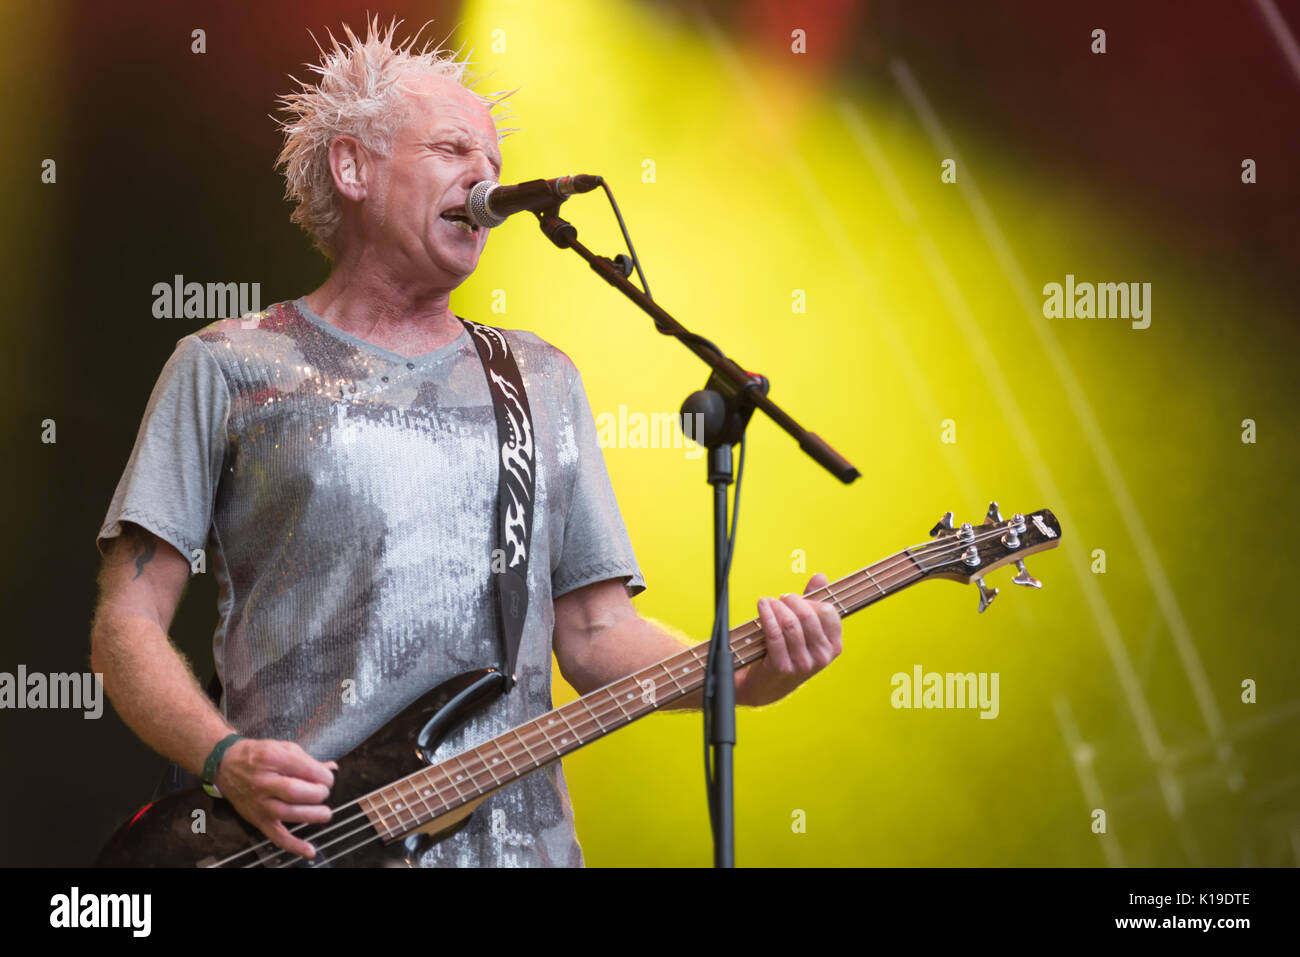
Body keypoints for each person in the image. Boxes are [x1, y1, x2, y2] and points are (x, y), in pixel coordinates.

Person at [90, 18, 842, 868]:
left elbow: (596, 632)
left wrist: (737, 674)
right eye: (452, 149)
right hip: (303, 847)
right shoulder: (227, 366)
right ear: (354, 167)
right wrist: (224, 756)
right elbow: (127, 622)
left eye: (493, 161)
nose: (486, 178)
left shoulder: (539, 378)